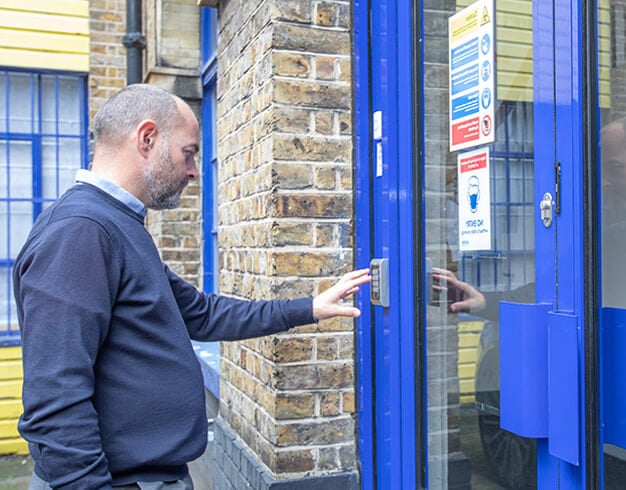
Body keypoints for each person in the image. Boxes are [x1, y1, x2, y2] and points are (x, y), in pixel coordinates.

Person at [13, 84, 371, 490]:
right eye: (189, 152)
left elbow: (200, 314)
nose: (194, 171)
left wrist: (309, 307)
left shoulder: (116, 225)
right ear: (147, 139)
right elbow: (54, 402)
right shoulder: (81, 232)